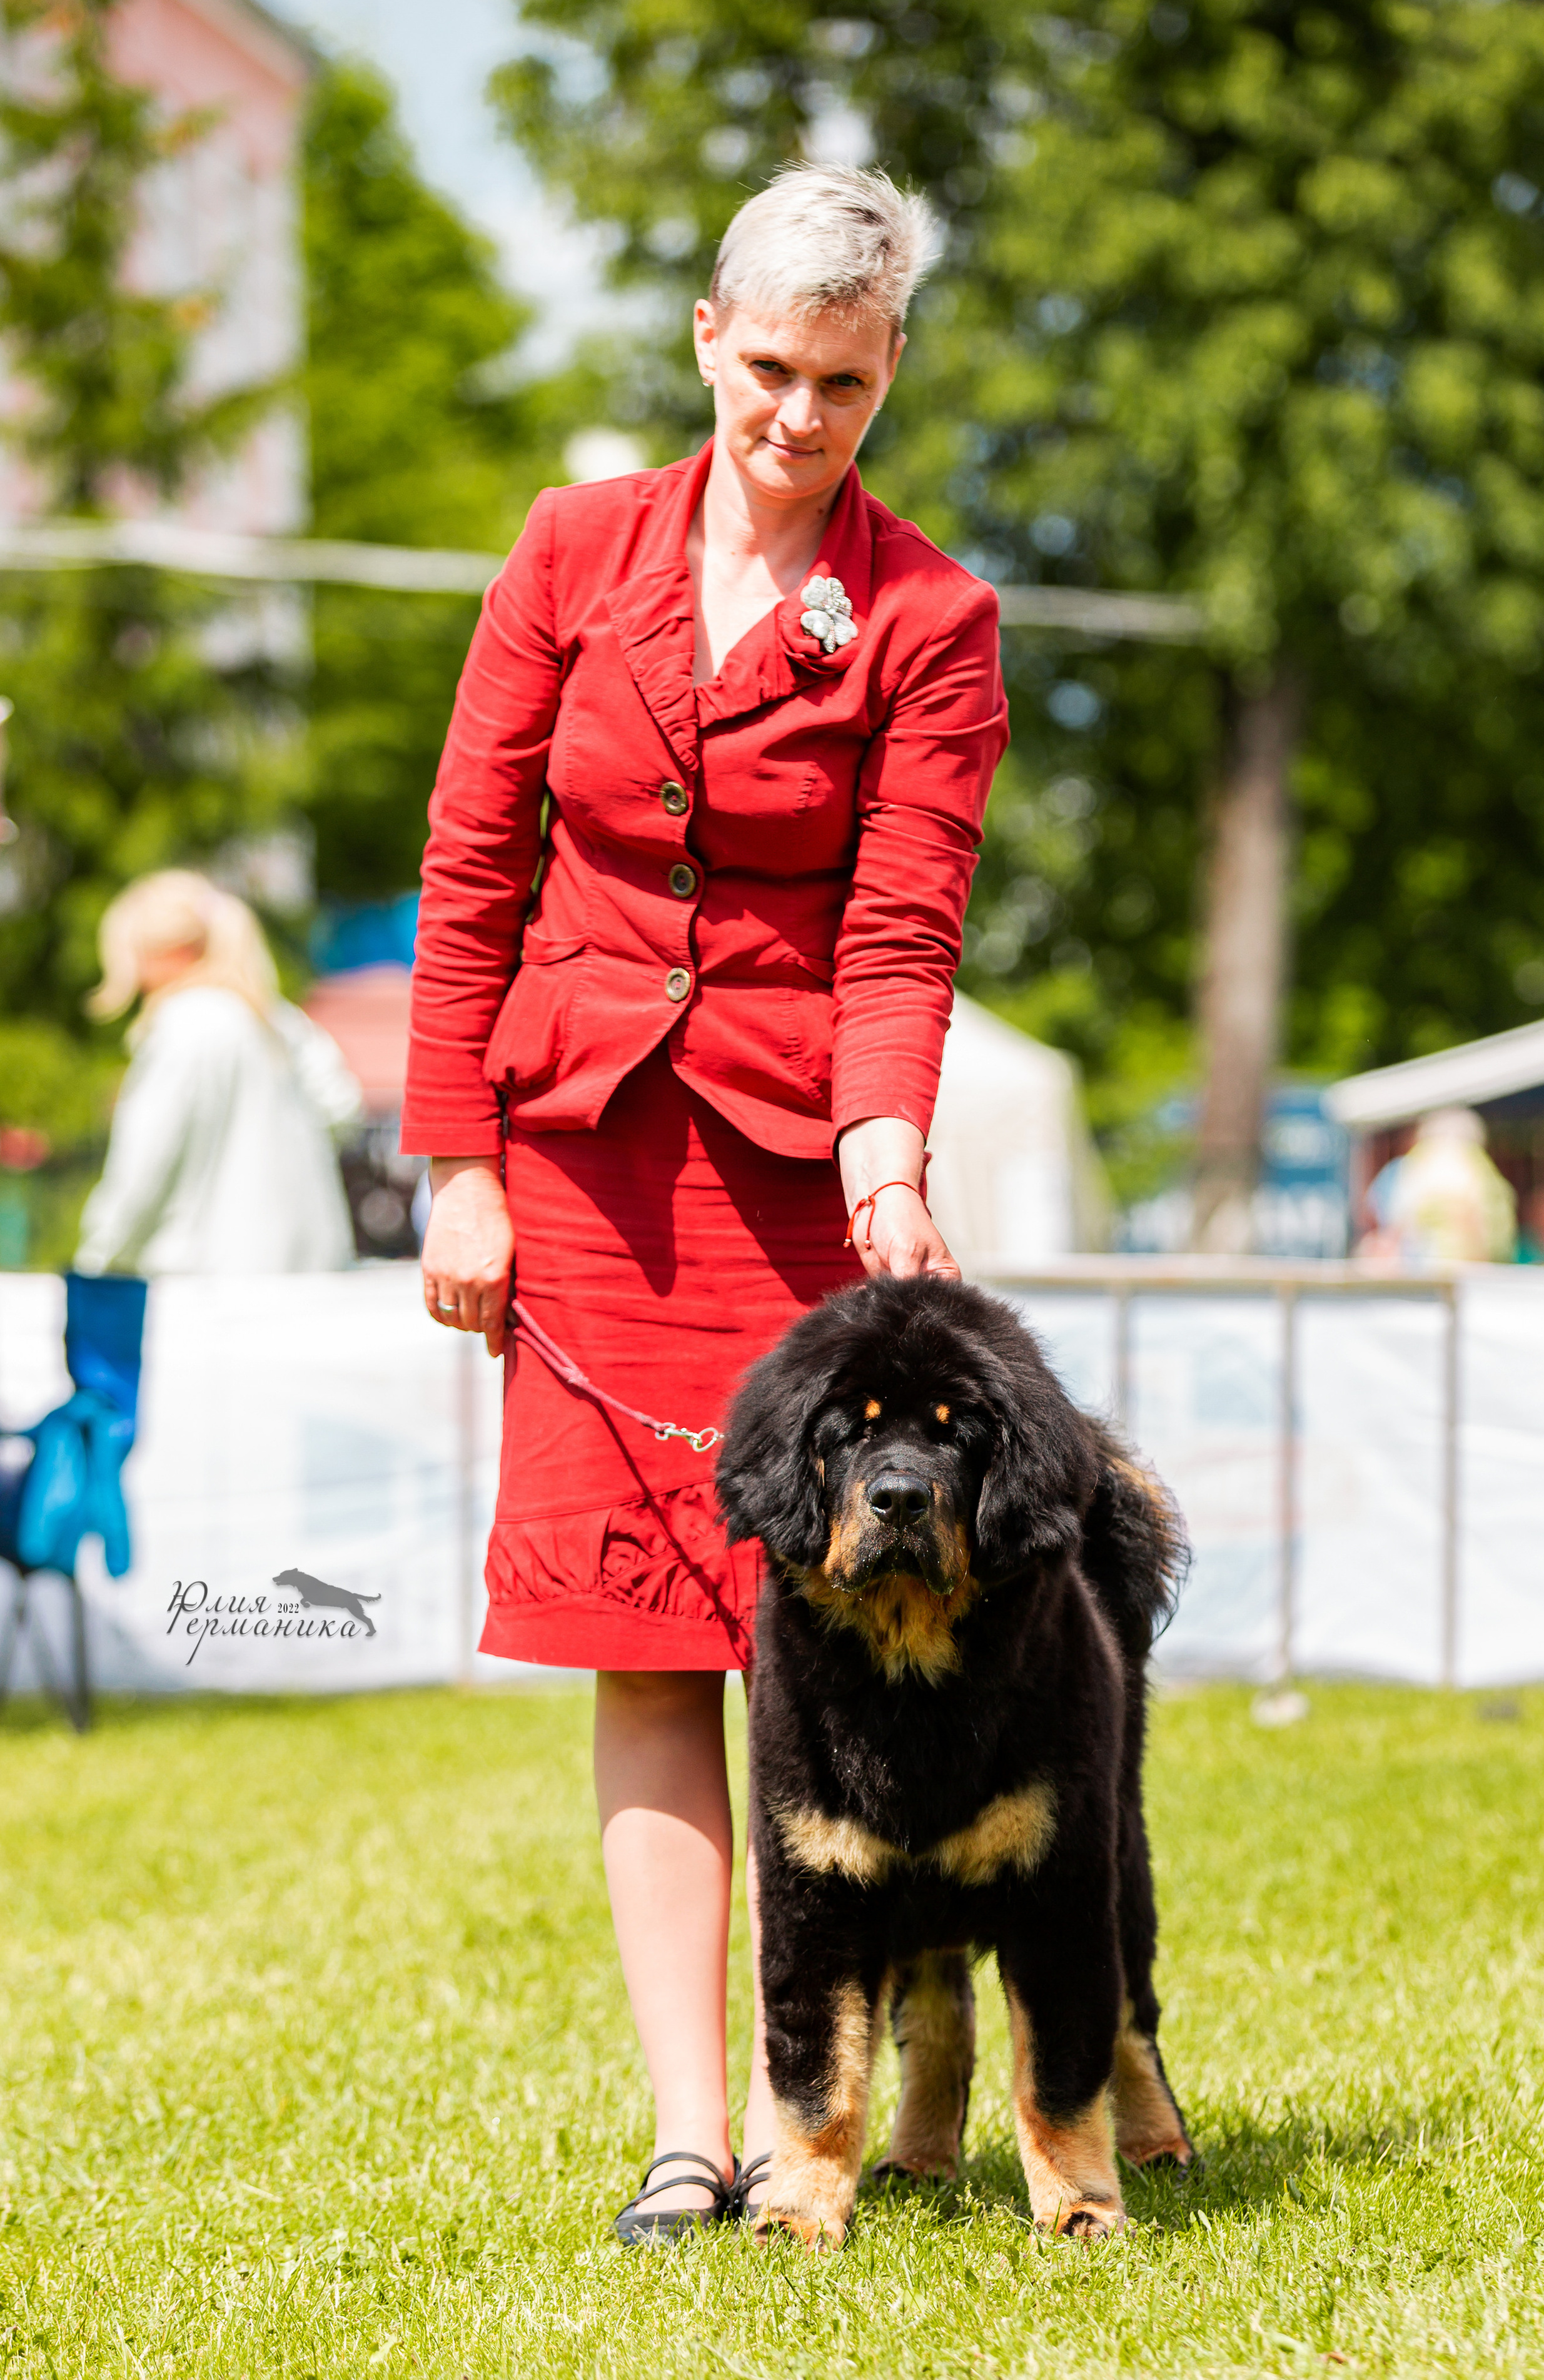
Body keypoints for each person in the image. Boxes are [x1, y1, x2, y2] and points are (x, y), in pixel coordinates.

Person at [401, 165, 1008, 2241]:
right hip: (577, 1170)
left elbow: (900, 932)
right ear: (703, 339)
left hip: (789, 1194)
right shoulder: (569, 552)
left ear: (892, 367)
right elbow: (471, 867)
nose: (798, 419)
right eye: (768, 370)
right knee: (634, 1642)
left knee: (810, 1648)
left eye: (843, 382)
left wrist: (888, 1161)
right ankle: (693, 2127)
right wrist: (459, 1168)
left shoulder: (931, 617)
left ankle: (805, 2102)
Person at [76, 870, 361, 1276]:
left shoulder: (185, 1026)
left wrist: (98, 1258)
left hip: (209, 1291)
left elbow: (144, 1165)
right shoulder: (280, 1021)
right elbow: (343, 1111)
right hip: (310, 1270)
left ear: (163, 952)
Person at [1377, 1105, 1516, 1269]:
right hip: (1463, 1271)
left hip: (1436, 1271)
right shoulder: (1479, 1169)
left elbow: (1397, 1225)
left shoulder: (1426, 1166)